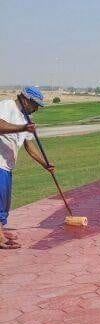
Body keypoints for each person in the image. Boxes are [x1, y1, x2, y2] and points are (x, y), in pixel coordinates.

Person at [0, 86, 54, 249]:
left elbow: (29, 146)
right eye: (35, 104)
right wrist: (23, 128)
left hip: (7, 166)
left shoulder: (26, 119)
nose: (36, 109)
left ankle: (0, 231)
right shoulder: (8, 105)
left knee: (4, 203)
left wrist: (45, 164)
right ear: (25, 100)